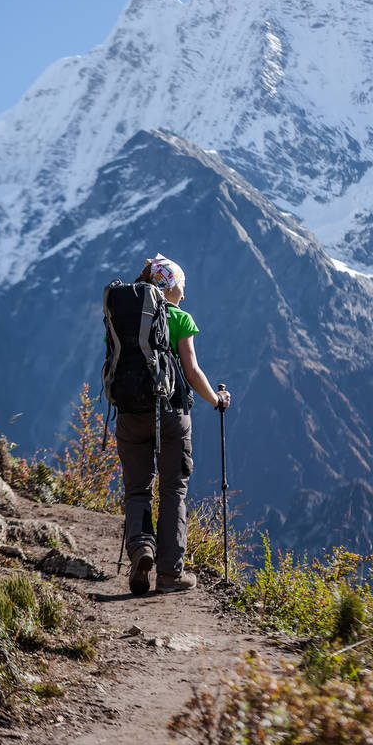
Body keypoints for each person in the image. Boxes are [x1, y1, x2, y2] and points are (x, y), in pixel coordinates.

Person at [116, 253, 231, 596]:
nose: (184, 290)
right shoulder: (180, 318)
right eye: (181, 283)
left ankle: (141, 548)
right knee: (172, 490)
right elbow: (192, 371)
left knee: (137, 489)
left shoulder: (122, 317)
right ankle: (169, 574)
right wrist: (216, 399)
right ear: (168, 287)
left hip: (129, 412)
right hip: (171, 413)